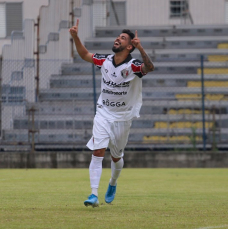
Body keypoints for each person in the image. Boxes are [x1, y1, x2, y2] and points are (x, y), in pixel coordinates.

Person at [69, 19, 154, 207]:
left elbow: (149, 68)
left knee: (116, 156)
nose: (118, 39)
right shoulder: (104, 61)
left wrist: (141, 49)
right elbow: (85, 55)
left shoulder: (132, 66)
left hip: (123, 117)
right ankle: (93, 194)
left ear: (130, 46)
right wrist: (75, 37)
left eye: (123, 38)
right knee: (98, 150)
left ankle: (113, 183)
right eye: (118, 37)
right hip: (103, 112)